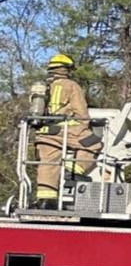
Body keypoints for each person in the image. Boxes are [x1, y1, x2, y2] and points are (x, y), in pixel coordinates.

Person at [34, 54, 97, 205]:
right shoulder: (71, 85)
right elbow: (81, 113)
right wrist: (84, 128)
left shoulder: (42, 87)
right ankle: (73, 171)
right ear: (66, 69)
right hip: (65, 130)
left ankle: (45, 201)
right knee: (94, 143)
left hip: (44, 132)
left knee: (48, 163)